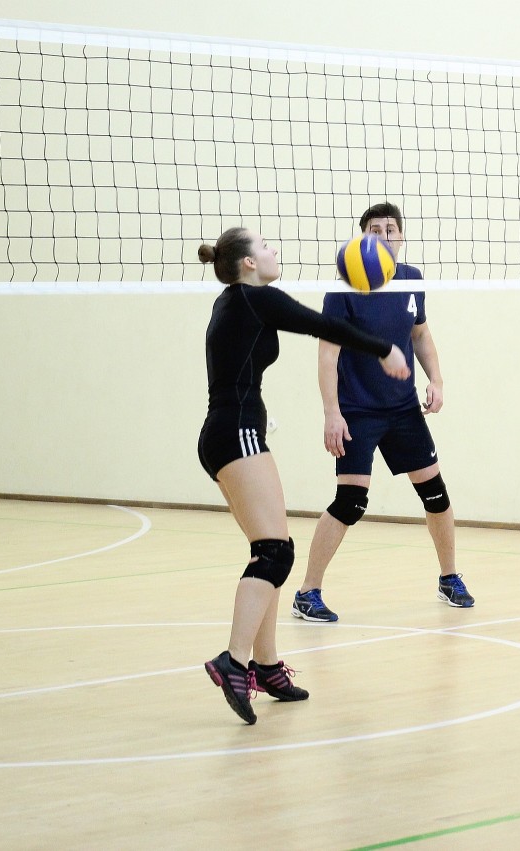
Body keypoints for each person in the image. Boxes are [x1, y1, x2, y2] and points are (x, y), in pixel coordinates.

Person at [198, 227, 411, 724]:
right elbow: (322, 325)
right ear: (248, 263)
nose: (273, 250)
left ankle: (267, 666)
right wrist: (384, 348)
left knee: (269, 551)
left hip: (227, 433)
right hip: (236, 433)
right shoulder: (256, 298)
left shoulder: (232, 302)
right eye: (264, 246)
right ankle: (234, 661)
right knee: (275, 553)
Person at [292, 202, 474, 624]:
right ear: (362, 238)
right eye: (375, 229)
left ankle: (449, 577)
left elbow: (421, 334)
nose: (384, 236)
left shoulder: (411, 280)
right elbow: (327, 355)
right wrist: (332, 412)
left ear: (401, 237)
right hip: (357, 411)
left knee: (436, 495)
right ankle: (307, 592)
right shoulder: (343, 290)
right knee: (351, 502)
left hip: (403, 409)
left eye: (391, 229)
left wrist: (437, 380)